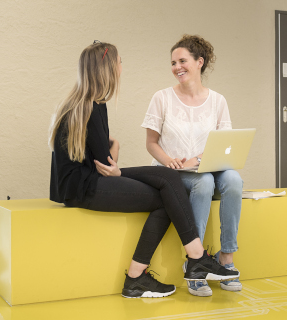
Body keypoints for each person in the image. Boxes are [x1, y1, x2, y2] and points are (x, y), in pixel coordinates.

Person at [48, 41, 239, 299]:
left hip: (89, 178)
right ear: (107, 69)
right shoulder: (90, 107)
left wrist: (113, 147)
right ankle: (188, 260)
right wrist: (113, 149)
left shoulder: (90, 103)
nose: (121, 68)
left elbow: (105, 158)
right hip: (83, 187)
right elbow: (107, 163)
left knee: (168, 178)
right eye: (119, 63)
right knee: (166, 196)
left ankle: (173, 266)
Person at [141, 34, 242, 297]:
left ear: (200, 62)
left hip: (206, 168)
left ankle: (226, 257)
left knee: (233, 179)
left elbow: (225, 144)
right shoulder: (161, 98)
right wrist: (169, 160)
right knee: (204, 182)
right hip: (174, 174)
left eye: (182, 61)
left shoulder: (218, 101)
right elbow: (151, 144)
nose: (177, 67)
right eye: (173, 62)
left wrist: (201, 160)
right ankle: (195, 261)